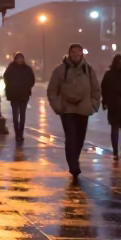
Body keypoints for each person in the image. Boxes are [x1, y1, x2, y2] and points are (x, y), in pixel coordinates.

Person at [47, 44, 102, 179]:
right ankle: (73, 165)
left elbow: (96, 89)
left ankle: (75, 159)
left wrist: (94, 105)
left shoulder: (88, 70)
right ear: (69, 54)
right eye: (73, 53)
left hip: (83, 109)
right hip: (67, 110)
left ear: (82, 54)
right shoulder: (60, 70)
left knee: (80, 138)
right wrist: (58, 107)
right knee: (71, 137)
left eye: (79, 53)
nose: (76, 55)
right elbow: (52, 90)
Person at [101, 55, 121, 156]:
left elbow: (104, 89)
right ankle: (118, 147)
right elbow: (104, 89)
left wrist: (105, 102)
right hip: (118, 105)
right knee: (119, 127)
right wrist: (105, 101)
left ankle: (119, 146)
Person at [3, 52, 36, 142]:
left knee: (22, 115)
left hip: (24, 94)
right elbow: (6, 77)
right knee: (15, 116)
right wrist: (10, 86)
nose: (20, 60)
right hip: (14, 95)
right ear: (15, 59)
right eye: (18, 58)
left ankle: (20, 133)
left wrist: (27, 86)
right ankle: (17, 133)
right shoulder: (11, 68)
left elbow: (32, 80)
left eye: (21, 58)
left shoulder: (27, 69)